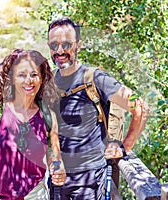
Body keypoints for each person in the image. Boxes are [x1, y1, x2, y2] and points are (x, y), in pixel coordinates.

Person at [47, 17, 149, 199]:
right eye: (54, 45)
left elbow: (139, 105)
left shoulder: (96, 78)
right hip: (58, 181)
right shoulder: (51, 81)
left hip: (90, 181)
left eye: (66, 44)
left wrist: (124, 148)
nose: (59, 51)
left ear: (78, 45)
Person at [0, 49, 66, 200]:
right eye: (22, 75)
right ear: (11, 78)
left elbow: (55, 155)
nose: (29, 81)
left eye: (34, 75)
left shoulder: (47, 115)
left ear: (42, 78)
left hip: (35, 195)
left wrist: (58, 169)